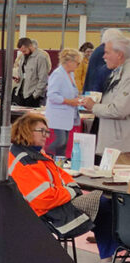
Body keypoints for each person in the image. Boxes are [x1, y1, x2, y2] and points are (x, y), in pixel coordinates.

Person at [6, 113, 116, 263]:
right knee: (105, 206)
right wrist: (71, 192)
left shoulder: (29, 153)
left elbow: (61, 175)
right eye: (41, 131)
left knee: (104, 205)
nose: (46, 135)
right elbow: (43, 198)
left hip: (49, 207)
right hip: (46, 215)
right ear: (26, 131)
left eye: (47, 131)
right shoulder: (26, 160)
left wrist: (71, 190)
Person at [83, 35, 130, 166]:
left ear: (119, 54)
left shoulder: (127, 76)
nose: (103, 57)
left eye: (107, 53)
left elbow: (119, 110)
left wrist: (94, 107)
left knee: (120, 185)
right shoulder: (117, 72)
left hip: (122, 146)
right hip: (115, 144)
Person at [45, 49, 83, 157]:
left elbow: (71, 92)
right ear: (69, 62)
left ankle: (59, 165)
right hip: (58, 115)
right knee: (60, 141)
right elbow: (52, 95)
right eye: (77, 63)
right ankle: (43, 154)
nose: (78, 65)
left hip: (67, 115)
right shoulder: (58, 74)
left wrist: (79, 98)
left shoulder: (70, 74)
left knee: (64, 143)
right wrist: (70, 101)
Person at [13, 37, 51, 107]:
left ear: (30, 46)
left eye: (24, 51)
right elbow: (23, 73)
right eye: (21, 51)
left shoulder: (41, 58)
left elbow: (43, 79)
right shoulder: (23, 57)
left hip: (33, 96)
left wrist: (35, 95)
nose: (23, 53)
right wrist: (19, 78)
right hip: (22, 94)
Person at [84, 29, 123, 94]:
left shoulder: (99, 50)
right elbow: (105, 73)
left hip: (93, 90)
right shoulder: (106, 51)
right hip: (97, 92)